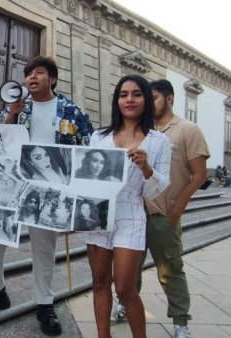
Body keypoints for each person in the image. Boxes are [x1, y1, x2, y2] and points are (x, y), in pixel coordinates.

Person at [0, 56, 94, 336]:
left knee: (44, 248)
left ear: (53, 79)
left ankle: (45, 304)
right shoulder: (14, 107)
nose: (32, 78)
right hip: (11, 184)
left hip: (48, 188)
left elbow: (90, 144)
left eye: (39, 73)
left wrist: (76, 191)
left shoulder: (70, 110)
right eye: (28, 74)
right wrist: (11, 113)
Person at [113, 79, 208, 338]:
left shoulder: (187, 130)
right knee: (128, 270)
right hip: (132, 213)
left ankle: (180, 322)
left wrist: (177, 209)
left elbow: (199, 175)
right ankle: (123, 305)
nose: (143, 101)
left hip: (161, 214)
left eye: (150, 97)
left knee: (170, 270)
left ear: (169, 99)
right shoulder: (138, 130)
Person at [85, 75, 171, 338]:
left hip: (131, 215)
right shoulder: (98, 136)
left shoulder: (158, 141)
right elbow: (85, 179)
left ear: (146, 98)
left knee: (124, 288)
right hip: (99, 215)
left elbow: (159, 189)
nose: (129, 100)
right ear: (117, 100)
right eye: (123, 94)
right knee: (99, 282)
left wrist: (146, 168)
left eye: (136, 94)